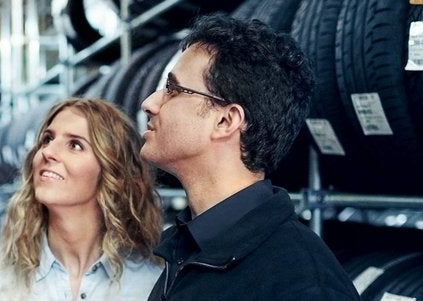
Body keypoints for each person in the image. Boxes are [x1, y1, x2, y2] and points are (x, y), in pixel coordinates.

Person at [138, 14, 360, 300]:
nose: (149, 103)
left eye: (172, 89)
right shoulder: (187, 247)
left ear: (226, 121)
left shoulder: (302, 284)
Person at [0, 98, 164, 301]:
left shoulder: (151, 287)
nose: (47, 152)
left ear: (114, 173)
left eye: (75, 145)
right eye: (47, 139)